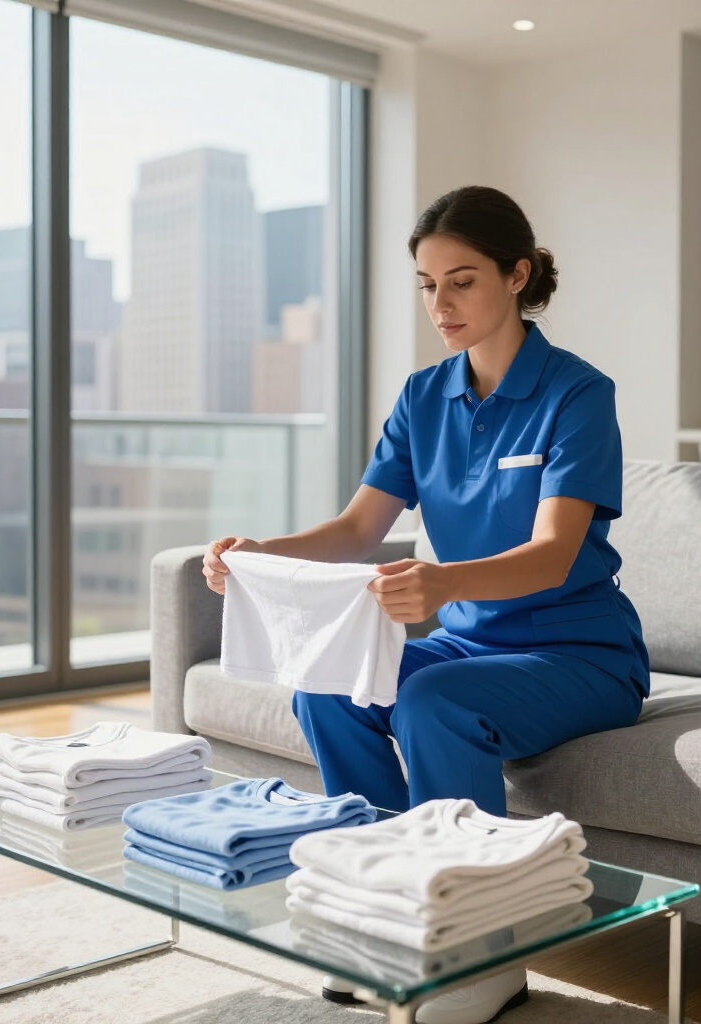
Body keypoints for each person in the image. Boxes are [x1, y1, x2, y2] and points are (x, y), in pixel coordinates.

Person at [202, 185, 650, 1024]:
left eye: (462, 281)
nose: (439, 305)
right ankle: (388, 911)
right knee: (327, 687)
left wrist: (441, 583)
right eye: (426, 284)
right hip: (473, 645)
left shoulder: (578, 395)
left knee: (431, 699)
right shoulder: (422, 397)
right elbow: (356, 528)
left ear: (517, 276)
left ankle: (485, 948)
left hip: (580, 654)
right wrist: (261, 551)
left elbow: (554, 556)